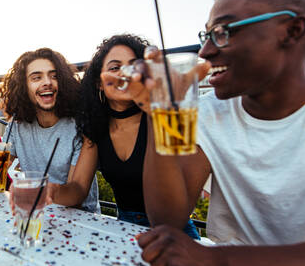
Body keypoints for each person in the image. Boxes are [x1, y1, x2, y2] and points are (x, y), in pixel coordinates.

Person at [116, 0, 305, 266]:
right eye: (206, 34)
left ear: (293, 30)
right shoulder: (211, 111)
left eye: (223, 32)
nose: (205, 51)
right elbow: (168, 217)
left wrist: (217, 262)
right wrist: (159, 109)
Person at [47, 34, 199, 239]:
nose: (126, 73)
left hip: (176, 232)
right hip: (125, 229)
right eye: (115, 67)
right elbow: (79, 188)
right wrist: (52, 192)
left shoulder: (165, 116)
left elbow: (184, 194)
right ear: (99, 83)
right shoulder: (96, 127)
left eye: (134, 66)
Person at [0, 48, 99, 213]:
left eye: (54, 76)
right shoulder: (17, 124)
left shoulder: (80, 125)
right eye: (36, 77)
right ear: (24, 87)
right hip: (33, 213)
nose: (47, 82)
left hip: (80, 220)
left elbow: (77, 193)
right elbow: (1, 165)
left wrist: (48, 191)